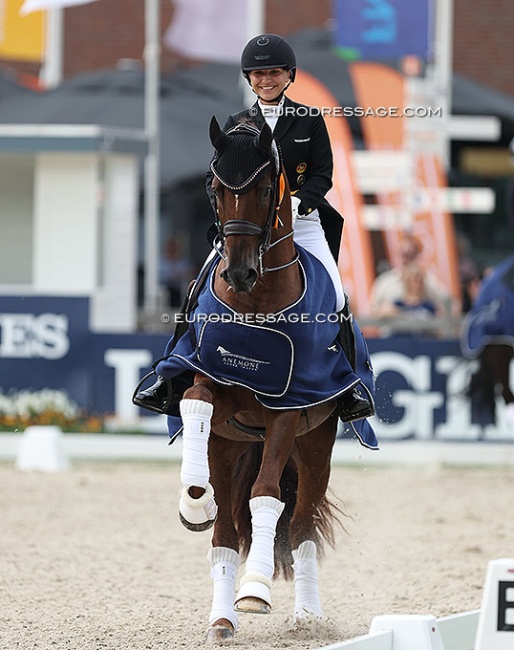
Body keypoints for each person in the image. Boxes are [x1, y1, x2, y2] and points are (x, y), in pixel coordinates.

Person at [135, 33, 373, 423]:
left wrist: (299, 204)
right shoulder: (237, 124)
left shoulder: (309, 120)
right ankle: (169, 376)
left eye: (274, 72)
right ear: (249, 78)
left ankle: (350, 386)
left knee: (335, 297)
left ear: (289, 76)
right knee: (198, 289)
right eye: (259, 73)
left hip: (302, 222)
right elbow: (224, 176)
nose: (267, 79)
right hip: (248, 225)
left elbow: (322, 175)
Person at [369, 232, 454, 320]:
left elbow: (448, 303)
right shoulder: (385, 282)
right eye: (404, 254)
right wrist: (384, 312)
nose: (407, 259)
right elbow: (372, 310)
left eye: (411, 254)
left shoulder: (428, 280)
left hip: (423, 331)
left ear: (417, 254)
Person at [372, 262, 445, 336]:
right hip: (399, 342)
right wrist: (396, 313)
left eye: (420, 279)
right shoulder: (397, 304)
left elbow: (440, 328)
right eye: (413, 279)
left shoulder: (430, 306)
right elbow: (379, 313)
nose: (416, 283)